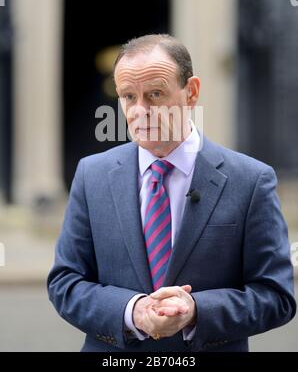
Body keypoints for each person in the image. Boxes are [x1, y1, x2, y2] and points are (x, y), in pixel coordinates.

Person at [47, 34, 296, 352]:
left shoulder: (251, 180)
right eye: (128, 97)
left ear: (191, 92)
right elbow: (65, 283)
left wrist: (196, 311)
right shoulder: (91, 175)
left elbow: (276, 297)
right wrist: (133, 311)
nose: (140, 110)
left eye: (155, 94)